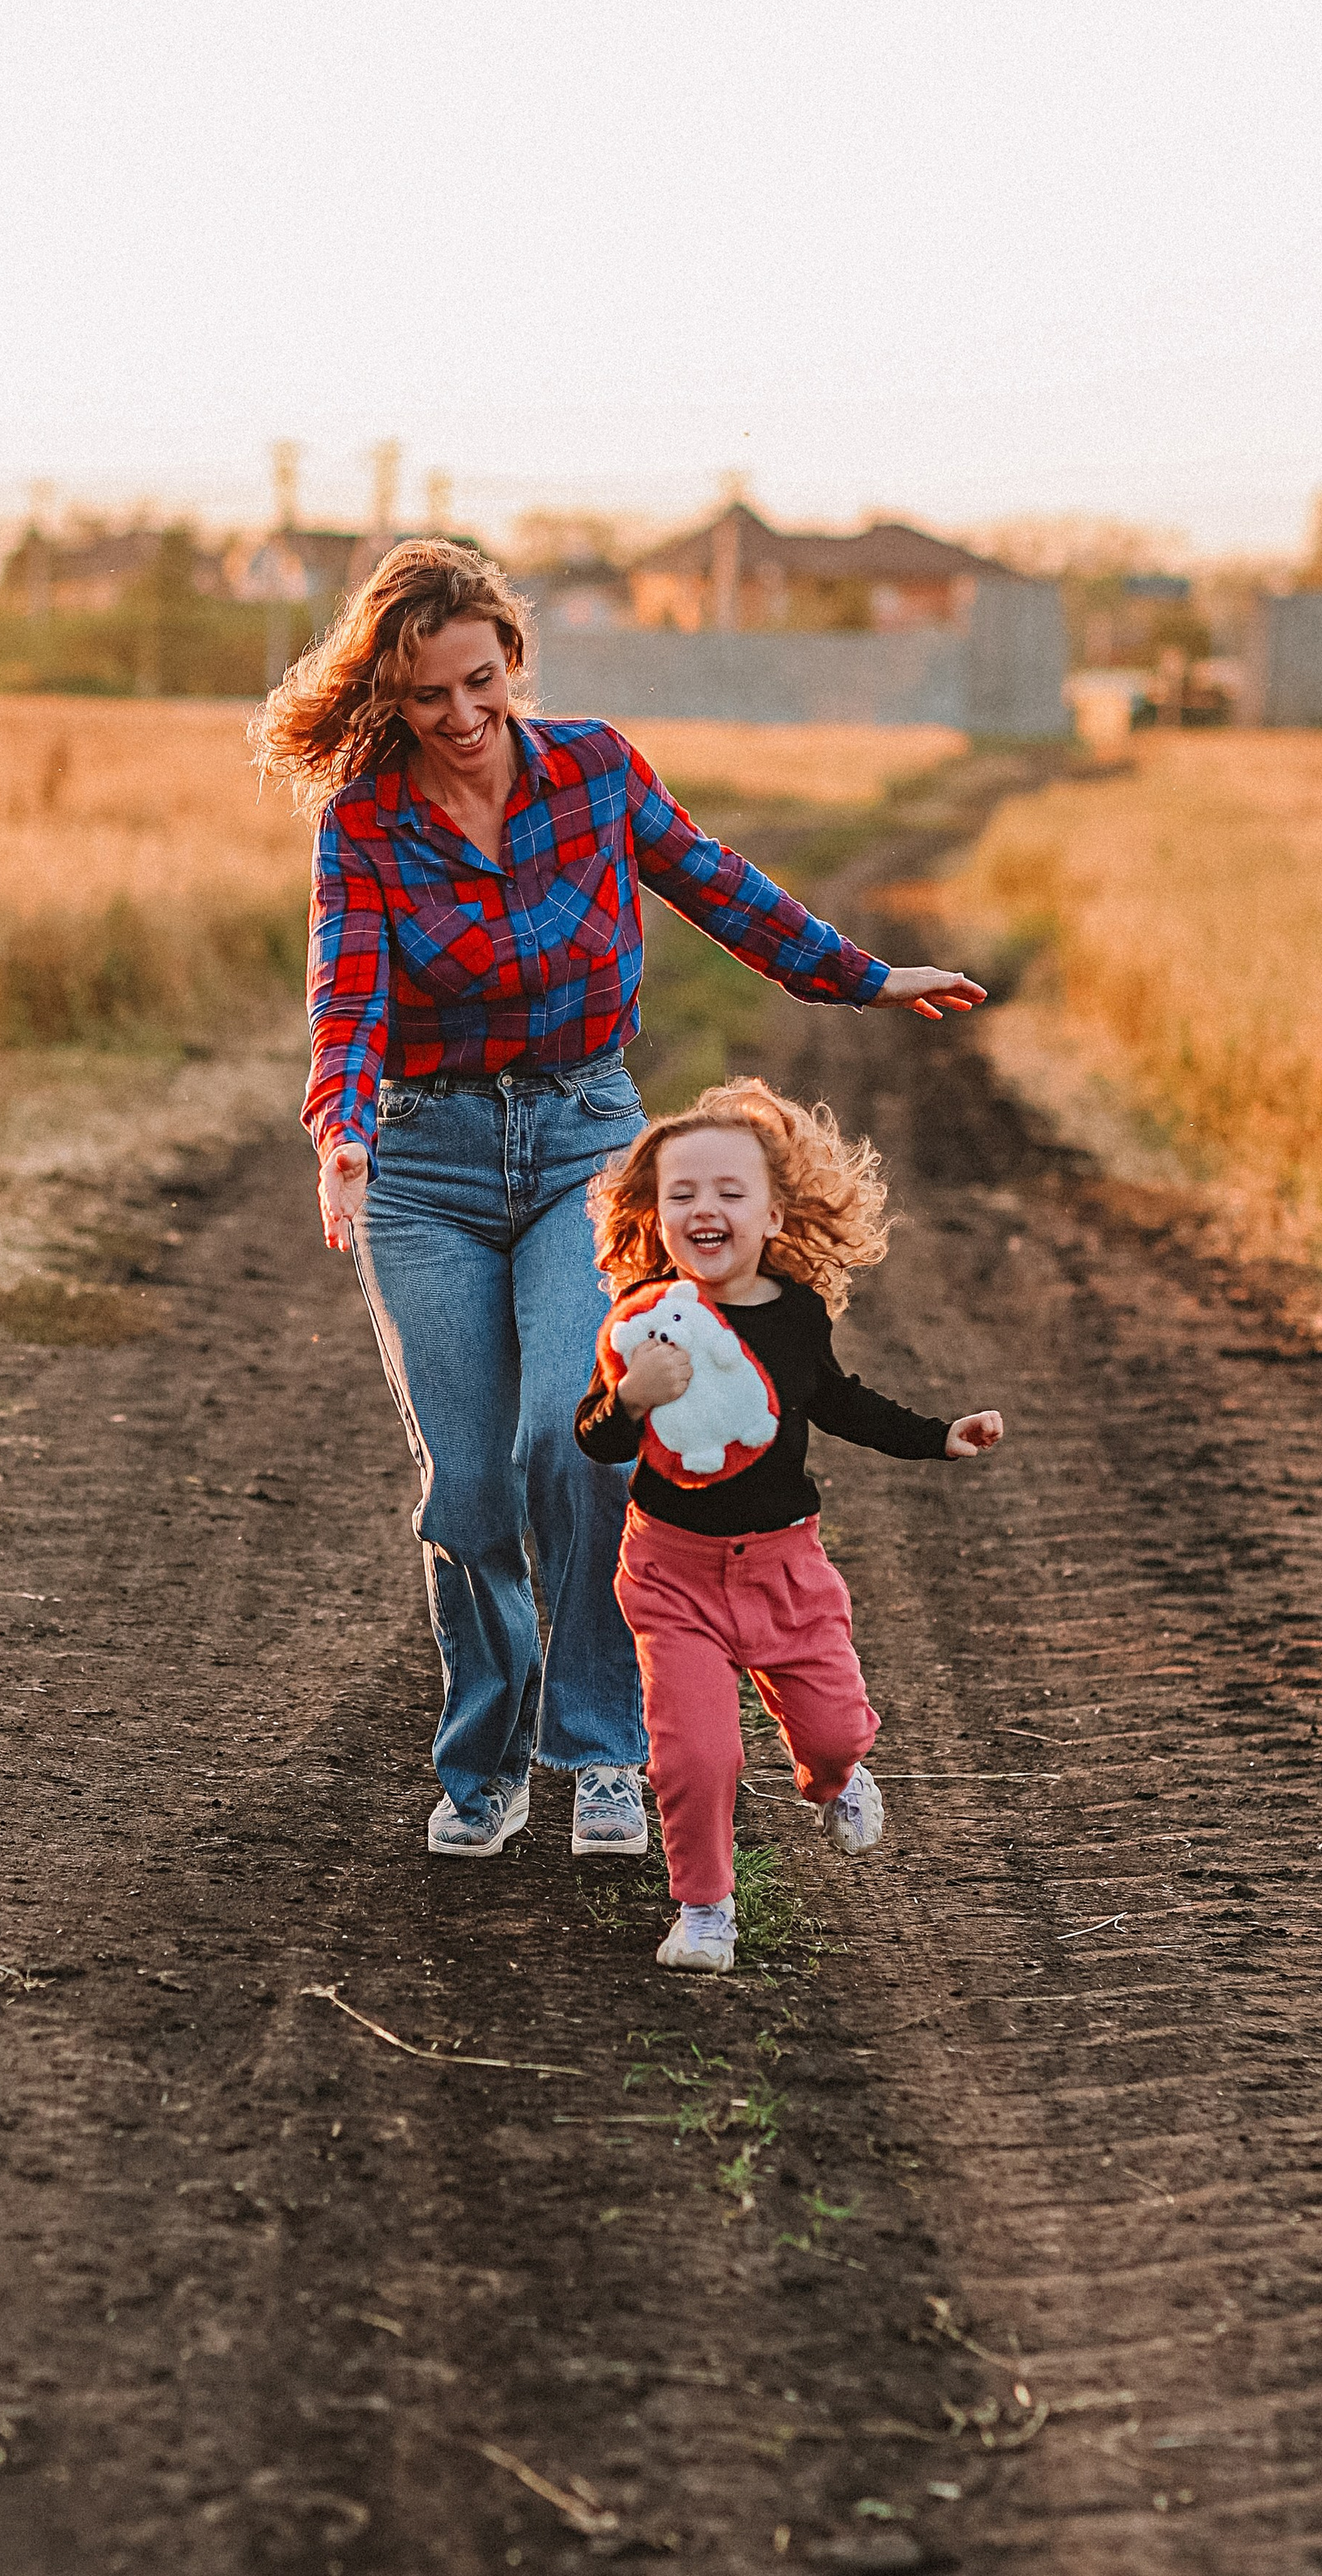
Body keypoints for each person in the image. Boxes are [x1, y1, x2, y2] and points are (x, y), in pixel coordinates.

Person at [252, 539, 987, 1861]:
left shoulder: (593, 769)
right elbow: (348, 998)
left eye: (481, 682)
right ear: (391, 697)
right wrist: (342, 1137)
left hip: (588, 1143)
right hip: (425, 1164)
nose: (462, 718)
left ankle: (593, 1746)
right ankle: (482, 1759)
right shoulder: (364, 819)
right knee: (469, 1486)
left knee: (572, 1443)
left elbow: (718, 886)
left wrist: (860, 976)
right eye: (429, 698)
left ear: (514, 662)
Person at [576, 1078, 1003, 1973]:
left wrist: (936, 1437)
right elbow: (592, 1435)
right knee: (697, 1755)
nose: (704, 1209)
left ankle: (835, 1779)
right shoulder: (643, 1324)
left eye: (730, 1193)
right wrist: (628, 1400)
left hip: (783, 1570)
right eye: (681, 1194)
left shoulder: (798, 1316)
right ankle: (703, 1911)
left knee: (838, 1731)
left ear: (773, 1217)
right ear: (653, 1216)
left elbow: (839, 1402)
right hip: (670, 1573)